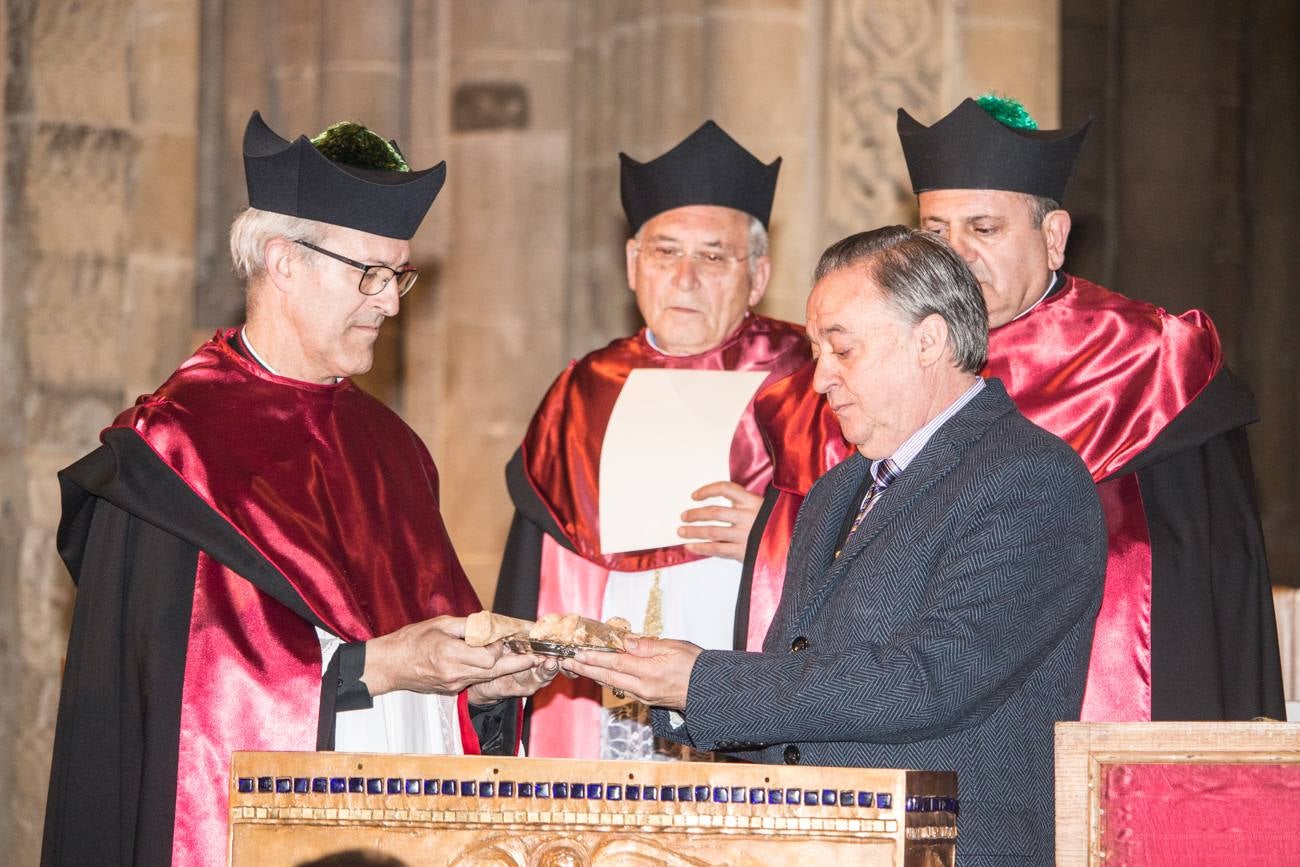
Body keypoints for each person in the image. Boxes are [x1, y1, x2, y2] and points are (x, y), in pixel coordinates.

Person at [42, 112, 555, 867]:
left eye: (399, 275)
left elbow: (411, 665)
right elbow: (179, 698)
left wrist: (478, 687)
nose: (391, 302)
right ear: (282, 262)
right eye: (370, 274)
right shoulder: (170, 452)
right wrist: (381, 666)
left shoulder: (393, 451)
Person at [567, 225, 1107, 866]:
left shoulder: (1026, 477)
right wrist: (671, 691)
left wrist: (704, 682)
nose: (820, 378)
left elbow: (930, 680)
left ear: (928, 341)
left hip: (951, 848)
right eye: (817, 349)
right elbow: (803, 694)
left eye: (842, 350)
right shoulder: (833, 492)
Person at [894, 95, 1285, 721]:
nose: (955, 255)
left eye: (984, 229)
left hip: (1111, 684)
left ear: (1053, 238)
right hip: (935, 699)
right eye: (936, 233)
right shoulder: (888, 360)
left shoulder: (1151, 360)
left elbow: (1205, 571)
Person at [492, 121, 811, 759]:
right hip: (593, 704)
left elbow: (889, 535)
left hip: (747, 681)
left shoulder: (812, 376)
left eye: (715, 255)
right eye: (666, 252)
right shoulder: (583, 388)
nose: (686, 277)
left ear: (758, 274)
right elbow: (535, 566)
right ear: (634, 265)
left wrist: (781, 533)